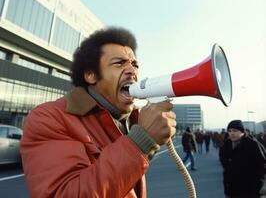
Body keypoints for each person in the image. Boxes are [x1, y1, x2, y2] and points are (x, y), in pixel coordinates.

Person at [20, 27, 177, 198]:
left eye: (135, 64)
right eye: (119, 63)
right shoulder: (48, 117)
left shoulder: (131, 120)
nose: (132, 71)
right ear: (91, 75)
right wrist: (139, 144)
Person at [219, 120, 266, 198]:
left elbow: (263, 164)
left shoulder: (253, 145)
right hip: (231, 189)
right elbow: (223, 160)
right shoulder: (226, 145)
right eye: (230, 131)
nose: (232, 133)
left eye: (235, 131)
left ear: (242, 132)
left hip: (250, 190)